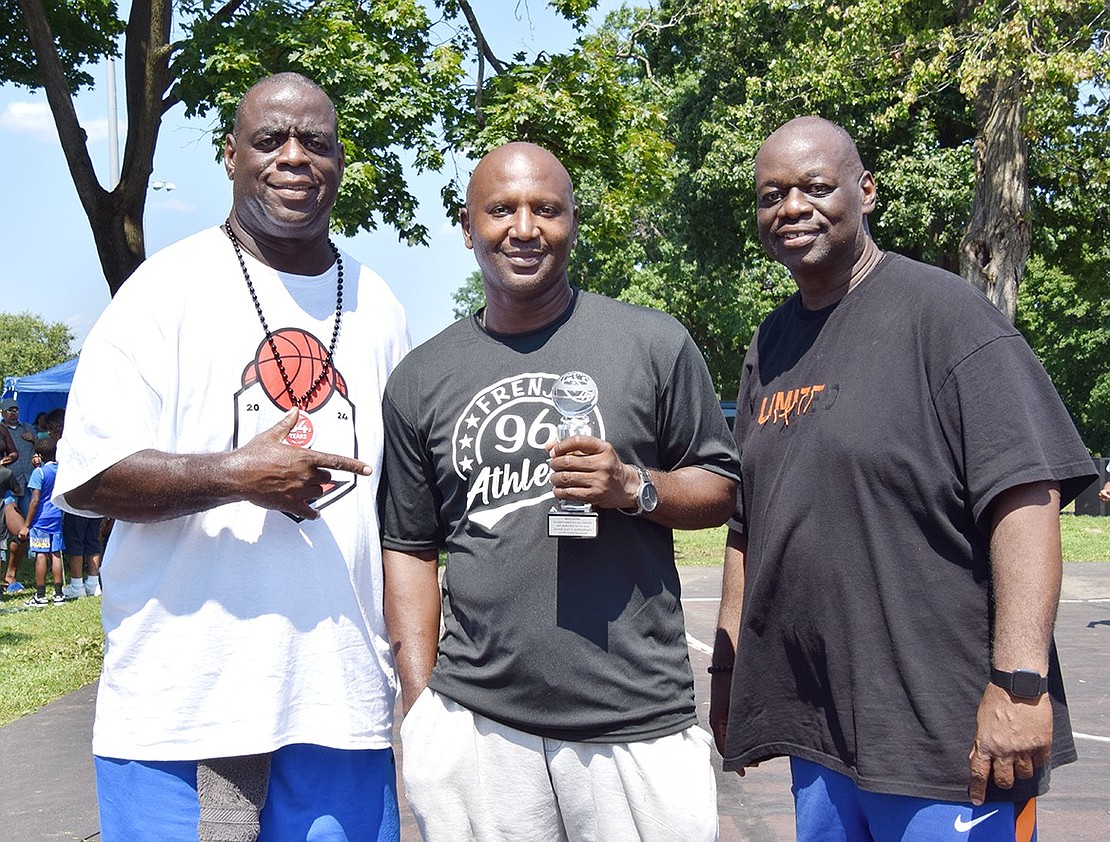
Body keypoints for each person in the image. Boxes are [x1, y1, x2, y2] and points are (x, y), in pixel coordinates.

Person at [710, 116, 1098, 842]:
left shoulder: (945, 315)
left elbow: (1027, 495)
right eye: (772, 195)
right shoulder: (771, 342)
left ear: (866, 191)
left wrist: (1020, 687)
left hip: (948, 741)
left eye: (816, 187)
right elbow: (747, 521)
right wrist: (732, 677)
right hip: (821, 735)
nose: (792, 208)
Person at [52, 72, 409, 841]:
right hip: (179, 704)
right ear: (230, 155)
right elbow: (87, 474)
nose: (293, 158)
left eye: (315, 142)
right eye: (269, 140)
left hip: (340, 697)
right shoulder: (164, 291)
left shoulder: (379, 305)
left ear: (340, 161)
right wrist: (234, 475)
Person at [380, 141, 741, 841]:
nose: (523, 227)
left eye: (545, 209)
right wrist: (422, 705)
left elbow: (721, 487)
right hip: (479, 725)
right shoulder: (421, 378)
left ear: (573, 221)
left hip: (635, 718)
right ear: (466, 227)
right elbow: (409, 546)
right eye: (501, 210)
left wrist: (633, 486)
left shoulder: (651, 343)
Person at [21, 436, 66, 606]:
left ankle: (40, 595)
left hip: (41, 518)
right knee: (56, 553)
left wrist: (26, 524)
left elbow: (35, 500)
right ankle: (59, 593)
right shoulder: (60, 470)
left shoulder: (38, 473)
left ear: (38, 454)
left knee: (41, 554)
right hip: (56, 515)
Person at [2, 398, 34, 593]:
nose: (14, 413)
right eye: (9, 410)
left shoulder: (4, 430)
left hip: (8, 487)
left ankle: (10, 576)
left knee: (23, 532)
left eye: (15, 409)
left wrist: (7, 461)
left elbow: (13, 453)